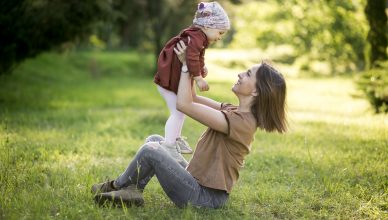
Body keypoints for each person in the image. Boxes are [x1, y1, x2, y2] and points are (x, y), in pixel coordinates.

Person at [91, 41, 287, 209]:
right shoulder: (233, 110)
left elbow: (184, 104)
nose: (240, 74)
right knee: (156, 140)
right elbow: (192, 97)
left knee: (151, 150)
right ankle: (132, 190)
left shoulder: (242, 123)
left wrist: (186, 66)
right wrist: (194, 70)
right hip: (196, 181)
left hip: (205, 198)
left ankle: (118, 186)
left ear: (256, 92)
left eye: (248, 74)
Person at [154, 1, 230, 156]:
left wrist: (201, 70)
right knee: (178, 112)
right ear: (208, 26)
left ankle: (174, 139)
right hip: (167, 82)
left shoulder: (199, 37)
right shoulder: (196, 37)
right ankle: (169, 144)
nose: (220, 37)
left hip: (171, 80)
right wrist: (198, 78)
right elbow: (192, 56)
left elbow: (198, 56)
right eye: (220, 33)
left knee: (179, 112)